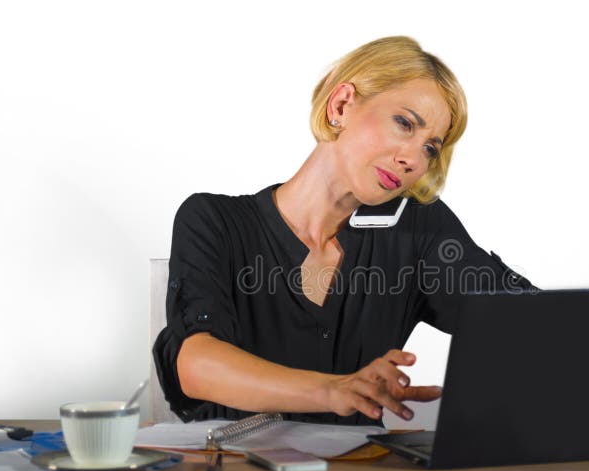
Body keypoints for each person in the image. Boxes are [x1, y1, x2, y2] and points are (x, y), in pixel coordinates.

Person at [153, 36, 535, 425]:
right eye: (404, 123)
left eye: (430, 149)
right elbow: (197, 365)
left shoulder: (419, 230)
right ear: (341, 105)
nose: (411, 160)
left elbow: (528, 324)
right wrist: (334, 390)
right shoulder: (214, 220)